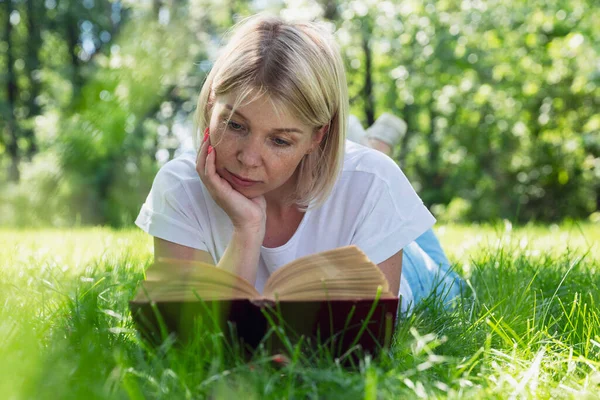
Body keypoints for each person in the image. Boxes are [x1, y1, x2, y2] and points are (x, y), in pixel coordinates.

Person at [135, 14, 462, 313]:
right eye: (235, 125)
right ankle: (366, 141)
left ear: (317, 137)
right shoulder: (180, 187)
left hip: (415, 272)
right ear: (210, 105)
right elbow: (199, 339)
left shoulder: (373, 182)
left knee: (446, 278)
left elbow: (370, 343)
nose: (248, 160)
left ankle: (374, 146)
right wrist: (247, 229)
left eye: (279, 141)